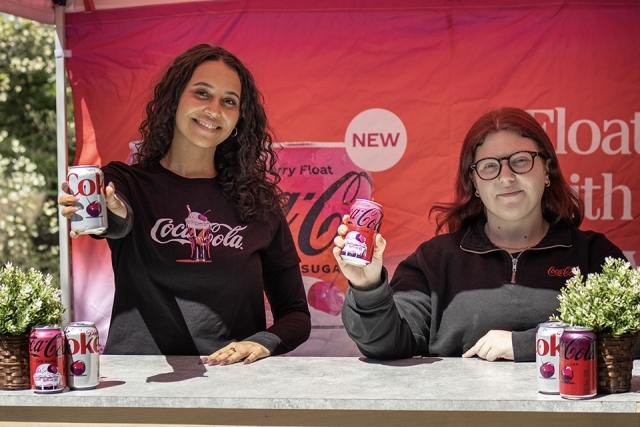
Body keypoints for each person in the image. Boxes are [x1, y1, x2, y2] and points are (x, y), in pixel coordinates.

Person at [59, 44, 311, 364]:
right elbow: (114, 216)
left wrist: (261, 342)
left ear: (238, 120)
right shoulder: (126, 183)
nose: (213, 110)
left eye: (229, 101)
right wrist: (110, 212)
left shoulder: (260, 205)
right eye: (202, 93)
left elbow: (296, 315)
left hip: (232, 385)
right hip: (137, 385)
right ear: (175, 98)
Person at [333, 107, 626, 362]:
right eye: (489, 167)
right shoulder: (435, 260)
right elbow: (386, 345)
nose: (507, 176)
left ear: (547, 170)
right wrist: (368, 286)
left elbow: (631, 338)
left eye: (521, 160)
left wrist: (526, 344)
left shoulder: (593, 255)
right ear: (473, 182)